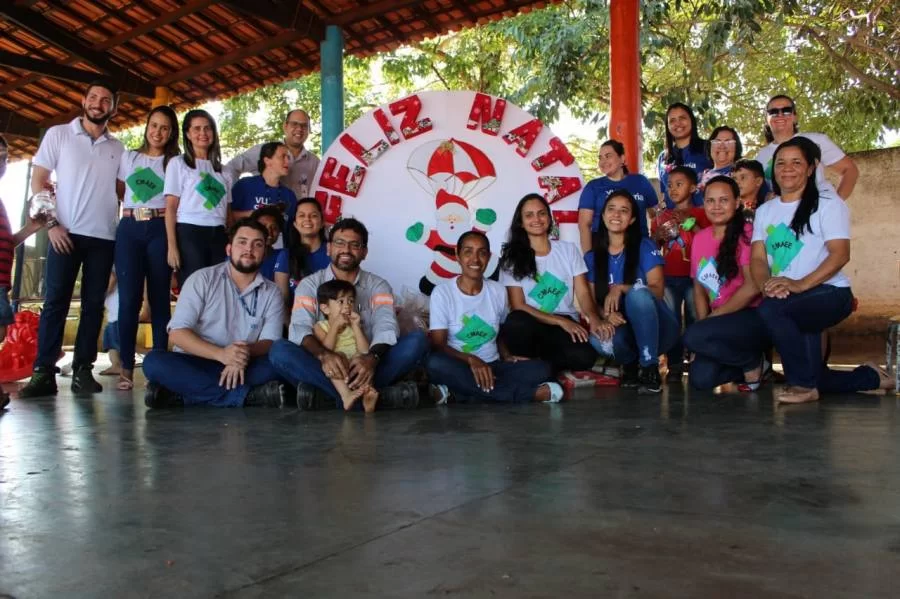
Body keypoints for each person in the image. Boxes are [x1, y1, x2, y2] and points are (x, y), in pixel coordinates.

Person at [750, 137, 891, 403]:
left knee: (772, 311)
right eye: (781, 163)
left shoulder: (828, 203)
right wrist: (766, 286)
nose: (787, 169)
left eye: (796, 162)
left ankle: (803, 386)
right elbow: (757, 259)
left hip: (831, 293)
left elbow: (840, 254)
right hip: (788, 298)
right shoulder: (765, 211)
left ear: (812, 168)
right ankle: (871, 377)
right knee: (814, 372)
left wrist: (799, 284)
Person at [18, 80, 125, 398]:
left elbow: (124, 194)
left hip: (103, 237)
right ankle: (43, 373)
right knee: (55, 304)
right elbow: (39, 181)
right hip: (63, 232)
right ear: (83, 100)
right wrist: (51, 225)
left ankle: (82, 370)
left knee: (94, 306)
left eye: (106, 99)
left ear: (112, 108)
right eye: (93, 97)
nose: (98, 103)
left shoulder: (117, 148)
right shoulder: (59, 135)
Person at [268, 218, 427, 410]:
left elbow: (386, 326)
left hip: (368, 365)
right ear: (329, 248)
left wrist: (371, 359)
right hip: (325, 365)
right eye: (340, 243)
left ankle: (330, 398)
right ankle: (373, 397)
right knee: (279, 350)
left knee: (418, 340)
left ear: (364, 252)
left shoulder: (378, 286)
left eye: (354, 245)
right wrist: (323, 355)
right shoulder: (309, 285)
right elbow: (299, 328)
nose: (346, 250)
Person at [142, 218, 286, 408]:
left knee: (276, 366)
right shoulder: (202, 279)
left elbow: (270, 342)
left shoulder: (272, 292)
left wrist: (240, 355)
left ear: (264, 253)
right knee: (154, 362)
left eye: (257, 244)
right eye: (242, 242)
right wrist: (221, 354)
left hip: (244, 364)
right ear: (229, 249)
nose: (249, 250)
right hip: (197, 361)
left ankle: (181, 396)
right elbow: (177, 333)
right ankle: (247, 396)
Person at [426, 231, 563, 404]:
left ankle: (459, 394)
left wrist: (506, 355)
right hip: (460, 366)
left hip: (495, 367)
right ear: (457, 255)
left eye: (482, 253)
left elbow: (499, 332)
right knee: (435, 363)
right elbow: (438, 345)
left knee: (543, 369)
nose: (475, 260)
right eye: (468, 251)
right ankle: (530, 395)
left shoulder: (497, 291)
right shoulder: (442, 293)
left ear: (489, 257)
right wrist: (472, 360)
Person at [113, 105, 180, 391]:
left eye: (164, 128)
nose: (158, 132)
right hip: (129, 228)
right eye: (154, 125)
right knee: (128, 300)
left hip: (159, 229)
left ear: (171, 132)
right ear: (147, 126)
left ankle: (162, 366)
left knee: (159, 298)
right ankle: (126, 368)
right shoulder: (129, 156)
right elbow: (119, 191)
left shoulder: (174, 162)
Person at [498, 194, 603, 373]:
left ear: (549, 217)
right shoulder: (512, 258)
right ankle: (542, 366)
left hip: (563, 324)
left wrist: (593, 317)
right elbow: (518, 305)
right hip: (531, 322)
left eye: (541, 213)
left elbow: (584, 293)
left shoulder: (568, 250)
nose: (536, 219)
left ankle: (537, 366)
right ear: (521, 222)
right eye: (529, 215)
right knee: (516, 322)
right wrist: (560, 321)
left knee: (585, 357)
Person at [587, 190, 678, 394]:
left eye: (624, 211)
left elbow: (658, 290)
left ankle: (649, 367)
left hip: (660, 329)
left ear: (632, 219)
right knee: (597, 338)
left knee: (638, 293)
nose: (616, 215)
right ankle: (629, 365)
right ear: (602, 216)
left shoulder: (644, 246)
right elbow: (592, 302)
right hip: (625, 329)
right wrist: (607, 315)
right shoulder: (592, 257)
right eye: (611, 209)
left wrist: (621, 288)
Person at [683, 176, 767, 390]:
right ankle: (753, 364)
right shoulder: (700, 238)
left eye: (724, 200)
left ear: (737, 202)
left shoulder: (748, 234)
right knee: (700, 380)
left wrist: (709, 323)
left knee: (691, 336)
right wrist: (705, 325)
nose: (716, 206)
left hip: (749, 316)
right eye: (710, 201)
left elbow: (753, 286)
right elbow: (699, 288)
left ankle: (750, 361)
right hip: (717, 322)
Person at [653, 166, 710, 380]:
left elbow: (709, 240)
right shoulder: (662, 216)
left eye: (679, 184)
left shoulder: (703, 213)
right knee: (671, 319)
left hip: (695, 277)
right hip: (667, 276)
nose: (673, 189)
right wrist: (657, 235)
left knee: (696, 316)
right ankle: (674, 363)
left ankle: (697, 359)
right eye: (670, 185)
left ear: (693, 187)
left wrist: (691, 223)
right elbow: (653, 246)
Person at [164, 109, 232, 288]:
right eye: (197, 129)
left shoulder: (225, 171)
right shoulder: (178, 164)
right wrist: (172, 246)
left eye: (208, 128)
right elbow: (170, 208)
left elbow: (228, 212)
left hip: (218, 233)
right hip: (189, 232)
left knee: (218, 289)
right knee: (194, 289)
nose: (203, 133)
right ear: (187, 133)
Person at [0, 135, 43, 408]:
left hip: (2, 281)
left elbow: (7, 243)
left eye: (3, 156)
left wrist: (31, 227)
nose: (1, 162)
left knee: (1, 333)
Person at [755, 95, 859, 199]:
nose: (780, 115)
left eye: (786, 110)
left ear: (795, 117)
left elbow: (850, 170)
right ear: (766, 119)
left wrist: (835, 204)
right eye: (773, 112)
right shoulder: (761, 156)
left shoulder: (816, 141)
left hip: (816, 211)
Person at [577, 139, 657, 251]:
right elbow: (584, 225)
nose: (603, 161)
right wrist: (588, 257)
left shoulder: (640, 182)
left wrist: (655, 240)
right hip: (604, 248)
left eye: (608, 156)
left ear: (622, 159)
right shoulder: (593, 187)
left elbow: (655, 214)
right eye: (600, 158)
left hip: (638, 246)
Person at [313, 280, 379, 411]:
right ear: (325, 308)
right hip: (336, 368)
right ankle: (346, 395)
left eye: (351, 301)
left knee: (362, 361)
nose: (347, 306)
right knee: (338, 357)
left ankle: (367, 398)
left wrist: (356, 327)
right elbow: (326, 350)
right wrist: (335, 327)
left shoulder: (354, 325)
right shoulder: (321, 326)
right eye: (341, 301)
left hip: (354, 367)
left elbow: (365, 350)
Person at [225, 109, 320, 199]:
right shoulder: (265, 150)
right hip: (263, 212)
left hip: (298, 215)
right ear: (285, 126)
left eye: (304, 126)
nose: (299, 129)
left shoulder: (315, 162)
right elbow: (232, 167)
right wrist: (234, 196)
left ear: (309, 130)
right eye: (294, 124)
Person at [230, 141, 298, 248]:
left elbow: (291, 229)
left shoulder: (289, 195)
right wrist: (254, 213)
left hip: (277, 254)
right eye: (283, 156)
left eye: (288, 157)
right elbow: (228, 216)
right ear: (267, 160)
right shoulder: (245, 185)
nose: (287, 161)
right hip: (247, 250)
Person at [274, 197, 329, 305]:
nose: (307, 219)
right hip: (295, 319)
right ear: (295, 223)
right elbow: (281, 301)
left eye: (313, 215)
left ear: (322, 222)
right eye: (301, 215)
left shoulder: (333, 252)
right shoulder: (286, 255)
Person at [657, 102, 712, 208]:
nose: (678, 123)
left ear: (691, 120)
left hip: (706, 219)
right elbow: (665, 195)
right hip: (674, 220)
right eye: (672, 120)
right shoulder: (663, 158)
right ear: (667, 126)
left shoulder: (708, 148)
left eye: (682, 118)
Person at [698, 126, 743, 190]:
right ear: (710, 147)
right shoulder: (701, 177)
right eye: (717, 141)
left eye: (728, 142)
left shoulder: (742, 176)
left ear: (736, 147)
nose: (722, 146)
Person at [249, 204, 284, 281]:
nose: (269, 232)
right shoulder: (241, 257)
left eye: (274, 228)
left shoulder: (283, 256)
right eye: (263, 227)